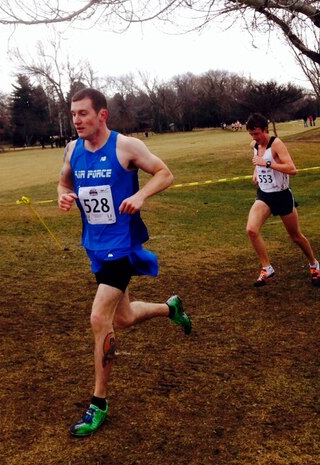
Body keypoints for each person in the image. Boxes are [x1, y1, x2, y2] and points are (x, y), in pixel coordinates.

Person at [57, 88, 192, 437]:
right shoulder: (72, 149)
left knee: (99, 317)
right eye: (73, 114)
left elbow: (165, 173)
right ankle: (170, 308)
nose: (77, 120)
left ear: (102, 115)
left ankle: (98, 403)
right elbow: (63, 180)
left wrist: (140, 194)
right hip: (95, 246)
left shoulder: (126, 146)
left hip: (123, 245)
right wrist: (63, 195)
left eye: (83, 113)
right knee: (125, 317)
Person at [244, 113, 320, 288]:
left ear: (266, 130)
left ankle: (314, 264)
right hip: (264, 195)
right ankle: (267, 267)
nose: (255, 138)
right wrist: (256, 172)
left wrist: (267, 164)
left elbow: (292, 169)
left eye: (257, 134)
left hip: (282, 195)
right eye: (251, 134)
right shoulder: (255, 144)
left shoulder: (276, 144)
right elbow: (257, 159)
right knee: (251, 230)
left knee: (296, 237)